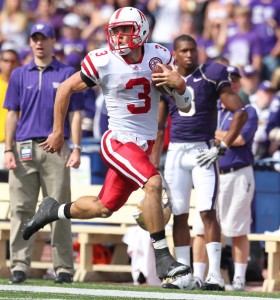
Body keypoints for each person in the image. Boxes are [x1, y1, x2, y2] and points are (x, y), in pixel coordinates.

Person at [22, 7, 193, 281]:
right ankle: (162, 257)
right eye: (115, 30)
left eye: (126, 29)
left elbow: (184, 107)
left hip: (143, 146)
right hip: (117, 141)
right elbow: (65, 88)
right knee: (153, 183)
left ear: (141, 30)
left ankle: (53, 210)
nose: (120, 36)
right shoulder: (103, 61)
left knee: (104, 207)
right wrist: (57, 131)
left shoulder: (159, 55)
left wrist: (180, 86)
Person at [151, 34, 248, 291]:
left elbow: (241, 112)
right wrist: (151, 167)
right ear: (176, 53)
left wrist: (223, 146)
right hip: (175, 153)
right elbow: (159, 128)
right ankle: (183, 274)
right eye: (183, 51)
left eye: (193, 50)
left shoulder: (211, 73)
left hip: (202, 150)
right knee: (179, 215)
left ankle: (214, 274)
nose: (189, 55)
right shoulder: (165, 76)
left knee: (206, 211)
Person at [4, 22, 82, 284]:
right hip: (24, 145)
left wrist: (78, 147)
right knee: (21, 208)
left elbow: (75, 113)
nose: (39, 43)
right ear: (30, 42)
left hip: (57, 148)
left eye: (44, 38)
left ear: (52, 41)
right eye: (35, 38)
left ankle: (63, 268)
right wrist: (7, 148)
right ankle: (19, 265)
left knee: (59, 209)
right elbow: (12, 113)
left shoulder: (67, 72)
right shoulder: (18, 74)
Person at [192, 65, 258, 291]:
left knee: (237, 228)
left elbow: (238, 139)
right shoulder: (211, 108)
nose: (232, 83)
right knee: (201, 227)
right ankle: (198, 275)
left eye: (235, 79)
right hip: (209, 172)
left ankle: (239, 278)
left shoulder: (248, 109)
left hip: (236, 173)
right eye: (229, 80)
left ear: (239, 83)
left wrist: (211, 132)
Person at [0, 42, 20, 179]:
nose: (9, 65)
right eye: (6, 61)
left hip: (15, 143)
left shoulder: (22, 85)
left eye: (13, 61)